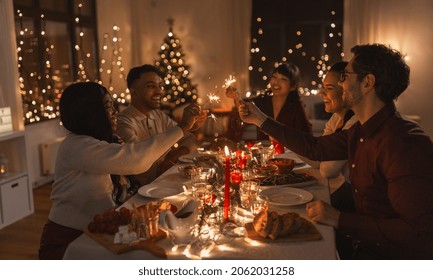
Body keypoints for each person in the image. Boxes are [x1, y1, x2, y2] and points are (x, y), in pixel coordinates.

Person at [238, 44, 433, 259]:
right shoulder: (360, 130)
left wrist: (340, 219)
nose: (340, 84)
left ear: (367, 83)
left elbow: (421, 233)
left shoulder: (403, 144)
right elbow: (315, 148)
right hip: (364, 245)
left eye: (345, 76)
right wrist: (259, 118)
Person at [38, 82, 202, 259]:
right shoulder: (75, 146)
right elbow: (136, 159)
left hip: (102, 231)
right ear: (91, 113)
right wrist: (182, 128)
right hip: (71, 240)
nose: (115, 112)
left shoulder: (106, 141)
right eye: (108, 107)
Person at [116, 64, 207, 186]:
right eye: (151, 86)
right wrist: (184, 126)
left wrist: (172, 159)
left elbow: (190, 139)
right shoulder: (123, 122)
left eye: (160, 86)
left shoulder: (158, 115)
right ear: (133, 91)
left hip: (167, 183)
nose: (159, 91)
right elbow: (138, 163)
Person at [226, 62, 312, 142]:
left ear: (292, 86)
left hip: (287, 154)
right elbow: (244, 105)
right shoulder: (262, 101)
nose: (276, 82)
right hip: (263, 151)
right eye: (274, 77)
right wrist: (237, 97)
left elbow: (307, 136)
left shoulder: (296, 106)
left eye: (283, 79)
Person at [319, 61, 357, 211]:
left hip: (356, 200)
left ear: (345, 90)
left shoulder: (354, 122)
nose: (322, 93)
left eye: (329, 88)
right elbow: (319, 154)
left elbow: (327, 170)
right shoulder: (336, 117)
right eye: (323, 87)